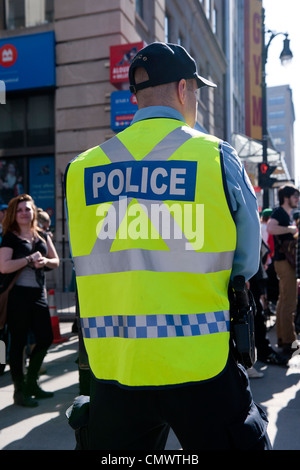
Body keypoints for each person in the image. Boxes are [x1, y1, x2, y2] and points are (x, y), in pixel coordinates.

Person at [65, 42, 271, 450]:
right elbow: (247, 255)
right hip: (201, 363)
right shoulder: (215, 155)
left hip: (116, 366)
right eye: (196, 90)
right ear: (183, 89)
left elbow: (85, 256)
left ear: (136, 96)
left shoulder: (82, 167)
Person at [0, 194, 60, 407]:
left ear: (34, 211)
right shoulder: (10, 237)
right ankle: (19, 391)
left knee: (45, 338)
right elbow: (4, 267)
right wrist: (28, 259)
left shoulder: (42, 235)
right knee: (18, 343)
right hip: (18, 295)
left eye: (28, 209)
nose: (24, 213)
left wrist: (44, 260)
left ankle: (32, 382)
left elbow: (56, 262)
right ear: (14, 215)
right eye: (19, 210)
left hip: (38, 295)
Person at [267, 184, 299, 358]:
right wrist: (289, 229)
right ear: (286, 197)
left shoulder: (286, 214)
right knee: (289, 302)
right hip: (285, 262)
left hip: (284, 261)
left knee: (283, 301)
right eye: (295, 196)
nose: (297, 199)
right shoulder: (280, 212)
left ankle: (283, 339)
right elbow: (271, 228)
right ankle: (289, 342)